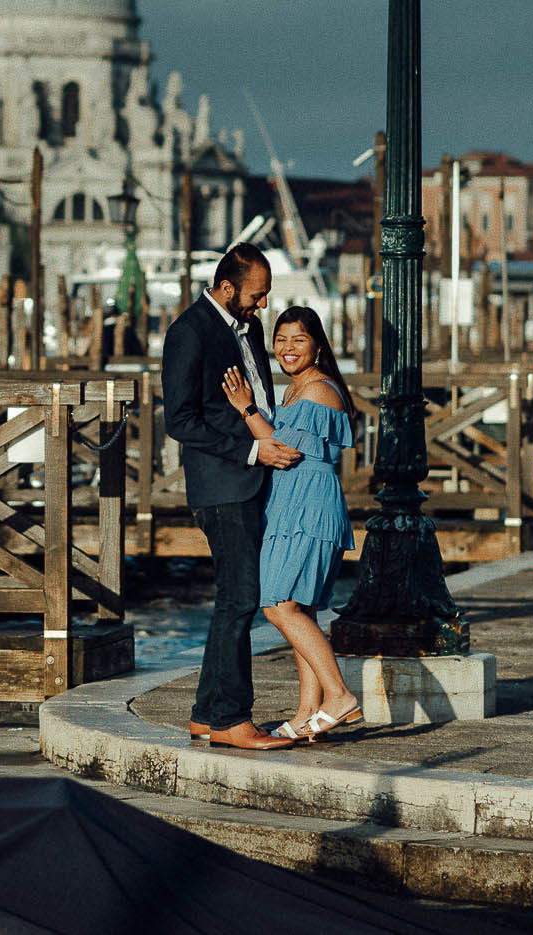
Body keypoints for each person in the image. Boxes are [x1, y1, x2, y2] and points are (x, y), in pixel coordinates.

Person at [162, 244, 299, 751]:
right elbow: (179, 421)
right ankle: (231, 718)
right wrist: (250, 452)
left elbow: (258, 395)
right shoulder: (189, 332)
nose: (262, 306)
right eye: (256, 296)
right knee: (240, 598)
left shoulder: (251, 329)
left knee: (235, 599)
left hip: (252, 482)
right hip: (223, 485)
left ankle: (206, 713)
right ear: (226, 288)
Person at [220, 307, 362, 742]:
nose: (287, 348)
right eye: (281, 340)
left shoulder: (320, 391)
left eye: (298, 340)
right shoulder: (293, 392)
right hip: (290, 500)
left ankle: (339, 696)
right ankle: (307, 711)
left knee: (278, 606)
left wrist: (245, 409)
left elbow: (282, 449)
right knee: (299, 608)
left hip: (309, 501)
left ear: (317, 345)